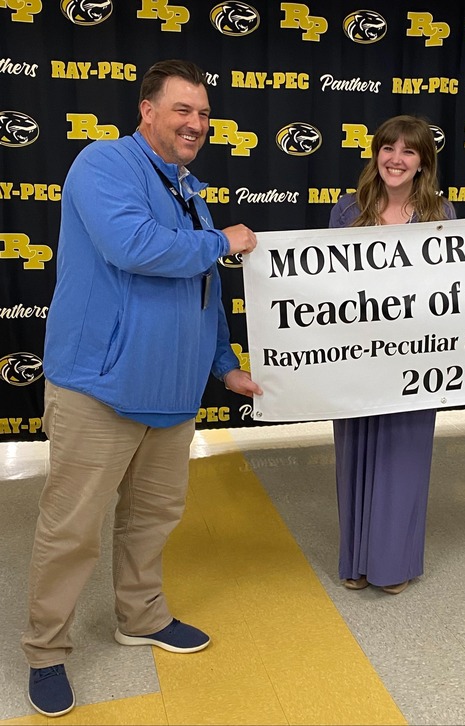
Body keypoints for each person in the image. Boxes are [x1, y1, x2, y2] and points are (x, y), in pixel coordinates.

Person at [22, 59, 262, 718]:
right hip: (99, 387)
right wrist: (220, 240)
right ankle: (46, 651)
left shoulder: (191, 191)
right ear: (147, 112)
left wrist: (224, 365)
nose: (196, 123)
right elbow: (134, 245)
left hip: (172, 392)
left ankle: (141, 615)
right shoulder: (104, 165)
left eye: (205, 114)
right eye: (183, 110)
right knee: (71, 530)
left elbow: (204, 290)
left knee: (152, 519)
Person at [328, 115, 455, 596]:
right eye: (387, 148)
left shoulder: (441, 213)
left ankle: (393, 564)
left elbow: (453, 287)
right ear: (376, 153)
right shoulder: (346, 210)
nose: (395, 159)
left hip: (417, 357)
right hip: (358, 358)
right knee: (355, 455)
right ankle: (356, 560)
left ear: (423, 161)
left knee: (403, 457)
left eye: (407, 151)